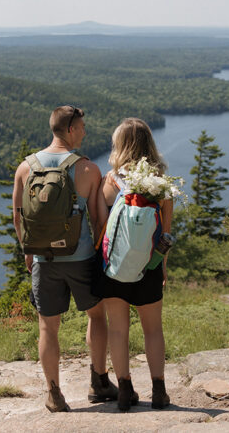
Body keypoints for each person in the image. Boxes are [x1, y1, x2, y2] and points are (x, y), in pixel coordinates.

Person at [12, 105, 117, 412]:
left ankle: (54, 393)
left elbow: (18, 219)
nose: (84, 131)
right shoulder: (87, 169)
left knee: (48, 327)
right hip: (81, 257)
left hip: (43, 260)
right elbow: (99, 219)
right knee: (97, 317)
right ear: (70, 129)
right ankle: (98, 382)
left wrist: (29, 253)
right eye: (82, 127)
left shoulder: (25, 168)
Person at [93, 117, 173, 411]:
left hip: (113, 269)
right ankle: (159, 392)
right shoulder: (161, 184)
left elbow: (101, 227)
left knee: (118, 329)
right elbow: (165, 234)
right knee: (153, 329)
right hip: (148, 269)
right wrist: (161, 267)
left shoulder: (110, 181)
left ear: (120, 145)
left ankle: (125, 391)